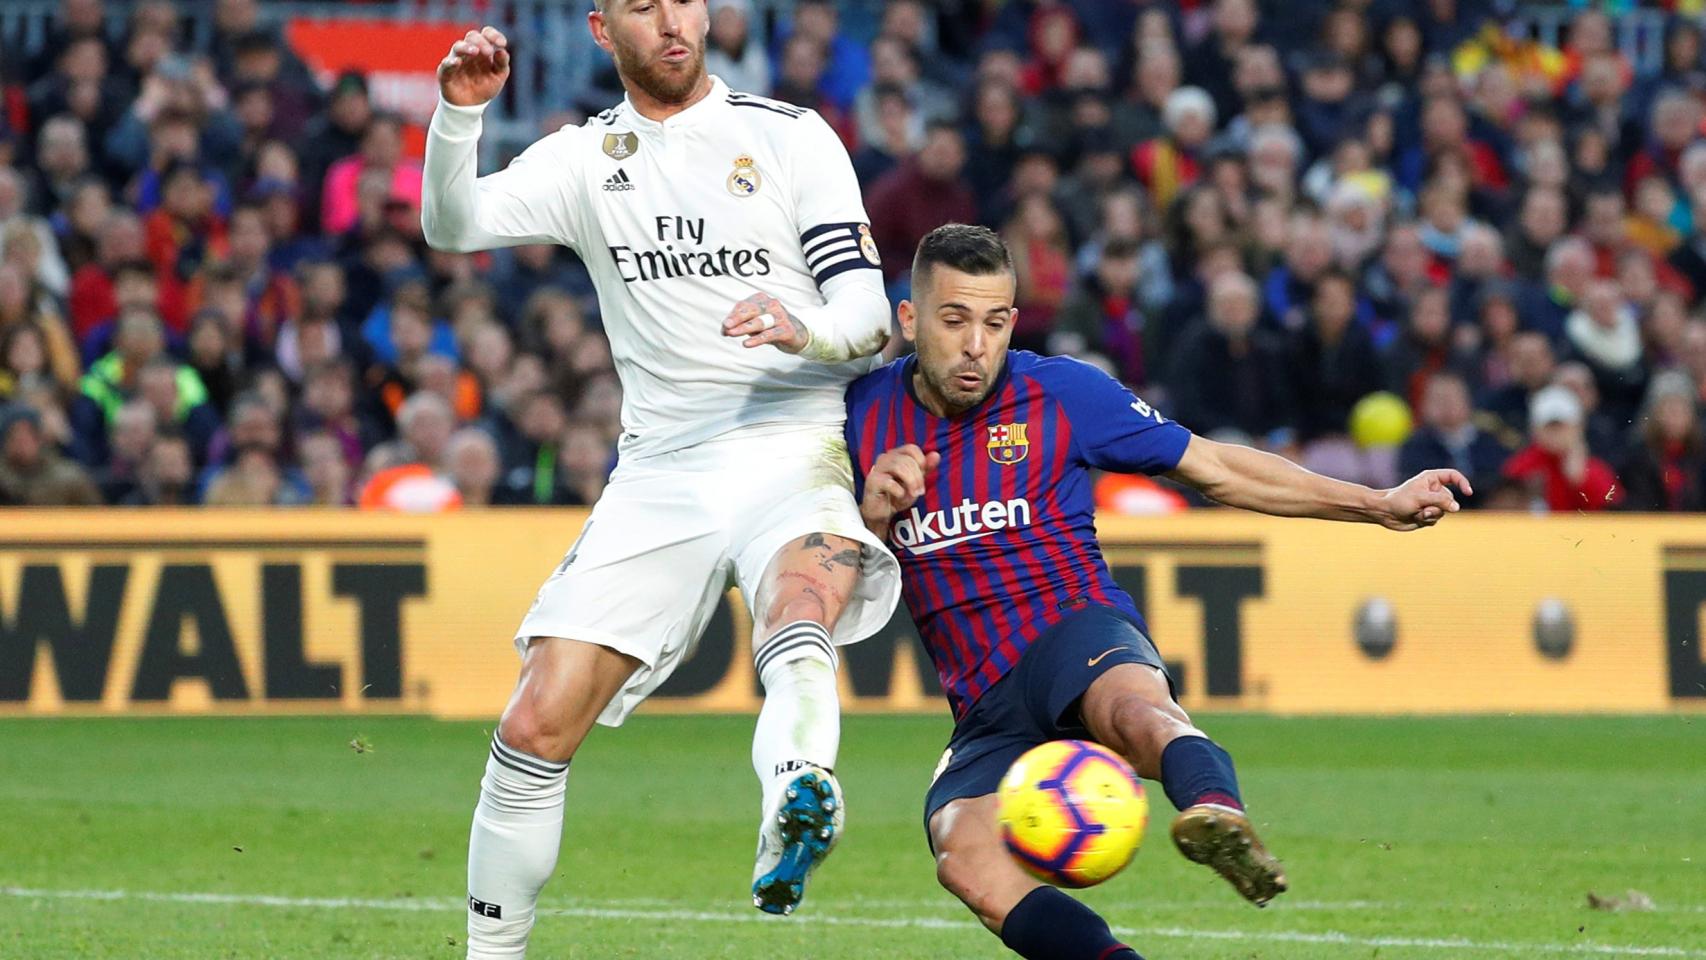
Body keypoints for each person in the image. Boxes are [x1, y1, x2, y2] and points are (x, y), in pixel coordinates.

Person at [844, 224, 1470, 960]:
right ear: (910, 321)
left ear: (1014, 319)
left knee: (1137, 709)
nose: (976, 344)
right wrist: (871, 520)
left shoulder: (1063, 392)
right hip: (984, 700)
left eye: (995, 321)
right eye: (954, 321)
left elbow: (1216, 468)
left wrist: (1375, 503)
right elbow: (833, 587)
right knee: (963, 853)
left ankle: (1216, 813)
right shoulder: (856, 417)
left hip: (1073, 628)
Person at [419, 5, 902, 955]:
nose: (673, 19)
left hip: (795, 447)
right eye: (644, 4)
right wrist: (458, 118)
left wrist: (802, 329)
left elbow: (866, 312)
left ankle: (798, 794)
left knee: (799, 613)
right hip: (662, 473)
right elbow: (453, 224)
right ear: (604, 31)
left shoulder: (791, 137)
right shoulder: (583, 161)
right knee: (534, 726)